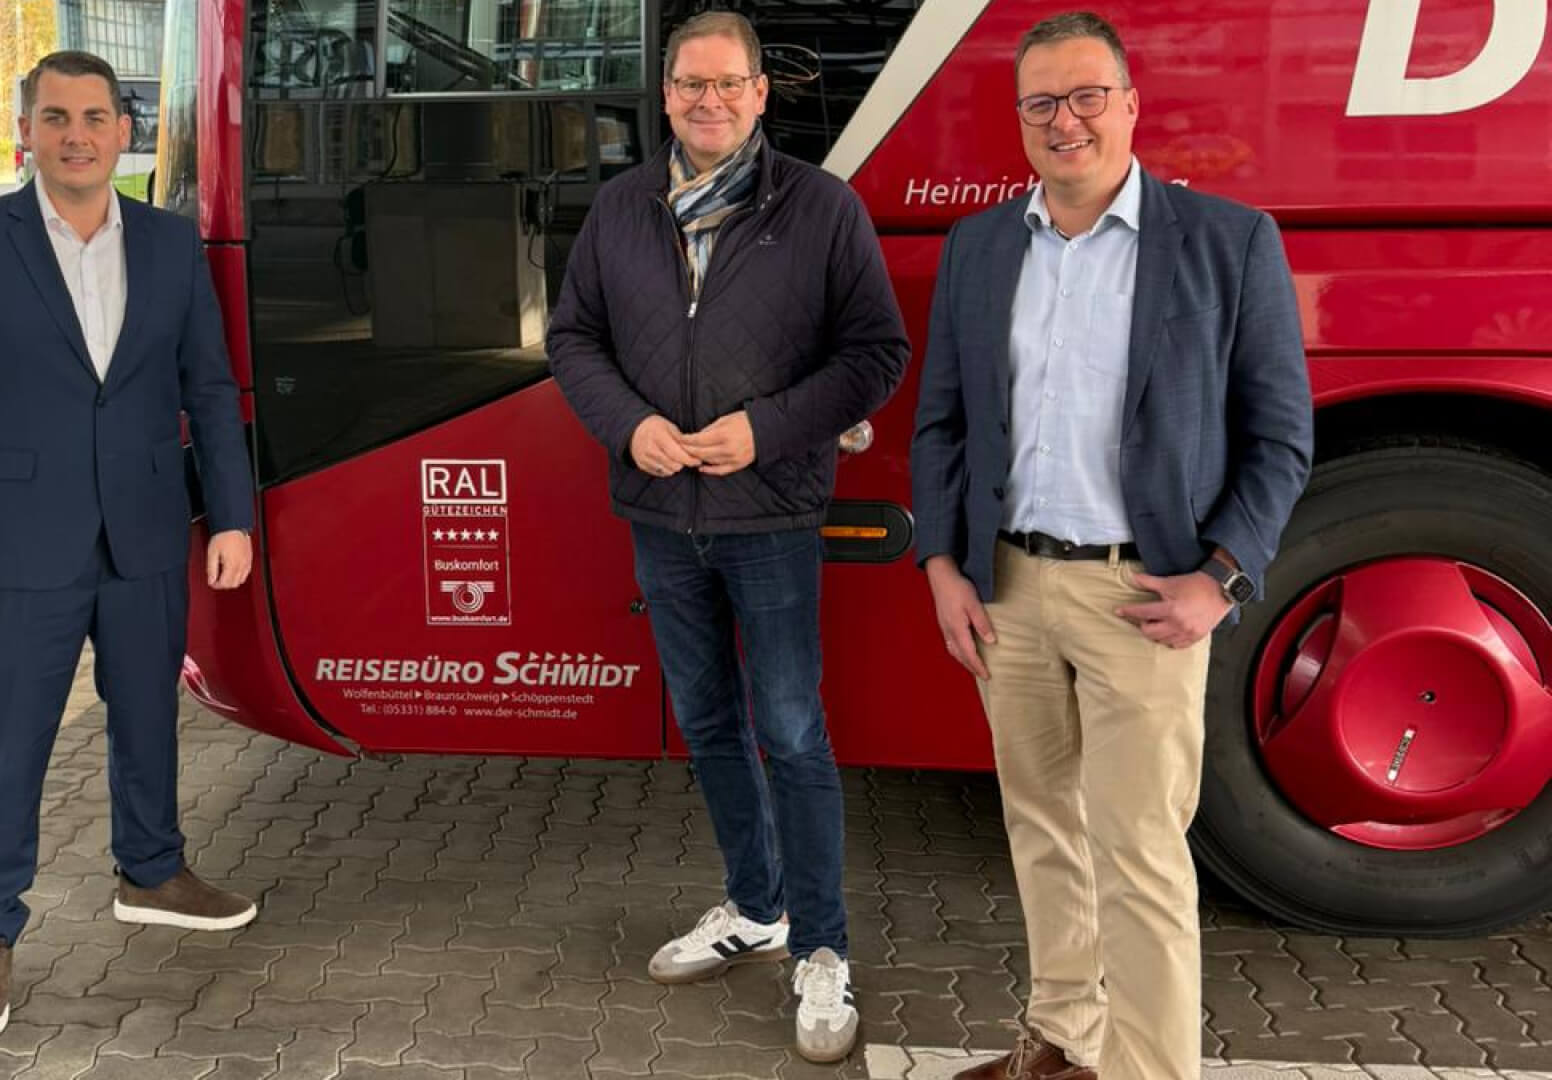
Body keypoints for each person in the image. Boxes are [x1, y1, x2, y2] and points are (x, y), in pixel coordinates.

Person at [911, 12, 1314, 1079]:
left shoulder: (1228, 243)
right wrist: (944, 566)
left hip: (1144, 596)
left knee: (1139, 857)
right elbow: (942, 422)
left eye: (1089, 95)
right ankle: (1061, 1042)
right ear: (1020, 122)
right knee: (1042, 828)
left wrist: (1221, 581)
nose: (1066, 120)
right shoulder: (981, 246)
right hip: (1011, 587)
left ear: (1132, 105)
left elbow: (1281, 439)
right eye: (1041, 102)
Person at [547, 10, 909, 1063]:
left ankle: (824, 948)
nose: (709, 102)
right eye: (690, 85)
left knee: (793, 731)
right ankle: (756, 908)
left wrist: (765, 430)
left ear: (761, 95)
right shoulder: (619, 211)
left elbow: (874, 353)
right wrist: (630, 426)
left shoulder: (821, 210)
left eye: (729, 84)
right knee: (708, 722)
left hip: (773, 516)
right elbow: (572, 337)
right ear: (665, 96)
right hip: (661, 517)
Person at [0, 49, 260, 1046]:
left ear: (123, 131)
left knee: (148, 714)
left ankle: (152, 870)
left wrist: (231, 516)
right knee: (7, 743)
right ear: (29, 131)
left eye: (96, 116)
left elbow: (211, 390)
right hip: (14, 546)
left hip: (142, 531)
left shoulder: (169, 242)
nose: (77, 135)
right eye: (56, 117)